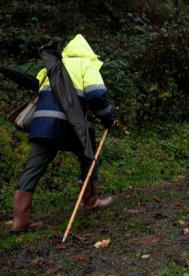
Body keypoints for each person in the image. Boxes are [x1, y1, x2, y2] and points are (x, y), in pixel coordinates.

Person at [10, 34, 116, 233]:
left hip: (43, 123)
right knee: (88, 158)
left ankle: (20, 219)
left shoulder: (52, 66)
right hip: (72, 125)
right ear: (89, 53)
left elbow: (37, 91)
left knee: (34, 166)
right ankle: (91, 201)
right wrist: (108, 116)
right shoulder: (86, 65)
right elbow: (95, 95)